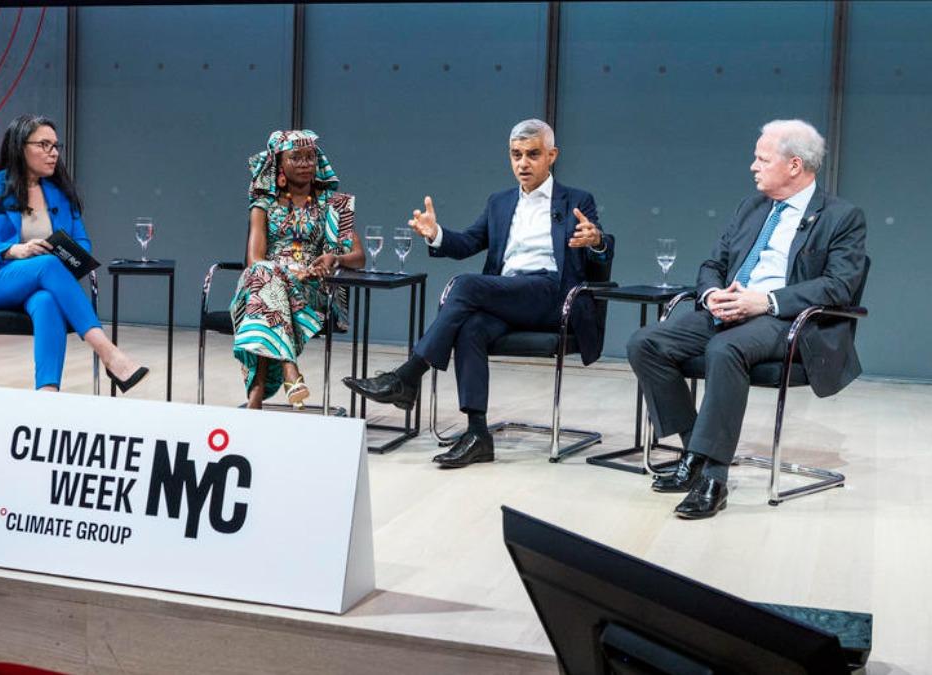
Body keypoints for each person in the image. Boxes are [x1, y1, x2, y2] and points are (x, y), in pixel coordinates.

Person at [626, 119, 867, 520]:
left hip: (787, 320)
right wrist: (711, 294)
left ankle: (713, 479)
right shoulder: (750, 208)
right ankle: (696, 451)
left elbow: (839, 285)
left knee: (725, 349)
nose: (753, 166)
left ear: (794, 165)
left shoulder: (841, 216)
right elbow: (712, 264)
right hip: (728, 309)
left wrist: (766, 301)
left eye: (762, 159)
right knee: (645, 343)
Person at [344, 119, 614, 467]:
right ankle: (477, 435)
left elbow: (600, 245)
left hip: (553, 295)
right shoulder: (500, 202)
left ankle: (408, 376)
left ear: (552, 155)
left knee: (465, 285)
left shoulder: (576, 200)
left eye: (532, 154)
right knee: (470, 327)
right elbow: (468, 242)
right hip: (508, 295)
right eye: (516, 155)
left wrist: (596, 240)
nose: (523, 163)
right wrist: (436, 234)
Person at [0, 114, 148, 393]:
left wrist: (64, 252)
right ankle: (108, 353)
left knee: (47, 300)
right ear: (20, 147)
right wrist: (15, 250)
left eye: (56, 146)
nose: (54, 153)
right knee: (47, 264)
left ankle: (47, 395)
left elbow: (82, 243)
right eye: (44, 145)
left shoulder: (60, 194)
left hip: (39, 284)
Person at [231, 130, 364, 410]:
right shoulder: (263, 205)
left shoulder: (335, 204)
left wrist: (334, 258)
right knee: (265, 277)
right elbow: (254, 259)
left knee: (264, 288)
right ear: (279, 164)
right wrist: (287, 272)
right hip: (266, 280)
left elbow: (359, 257)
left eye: (309, 157)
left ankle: (257, 393)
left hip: (311, 288)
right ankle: (289, 369)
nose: (305, 164)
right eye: (296, 158)